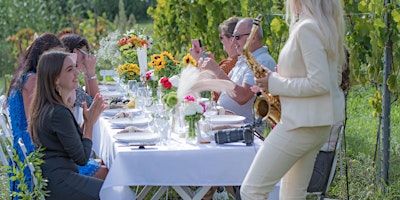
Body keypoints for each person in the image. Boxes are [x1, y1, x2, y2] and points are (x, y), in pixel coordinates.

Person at [240, 0, 346, 199]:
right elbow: (333, 80)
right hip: (317, 125)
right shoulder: (326, 28)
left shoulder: (307, 28)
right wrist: (277, 79)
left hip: (300, 125)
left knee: (251, 191)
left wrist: (274, 83)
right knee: (292, 195)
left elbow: (319, 83)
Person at [28, 51, 106, 200]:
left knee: (114, 187)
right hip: (60, 183)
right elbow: (82, 157)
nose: (77, 72)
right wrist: (89, 123)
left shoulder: (49, 106)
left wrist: (88, 121)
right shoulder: (58, 112)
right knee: (116, 192)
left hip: (53, 178)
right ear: (56, 79)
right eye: (70, 70)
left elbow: (74, 144)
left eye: (75, 67)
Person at [6, 33, 63, 193]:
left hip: (25, 147)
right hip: (33, 153)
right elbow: (35, 123)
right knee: (104, 172)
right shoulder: (32, 80)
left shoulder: (25, 76)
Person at [198, 17, 276, 124]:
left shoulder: (261, 61)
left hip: (246, 131)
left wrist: (217, 70)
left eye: (237, 37)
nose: (233, 41)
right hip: (229, 124)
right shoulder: (244, 59)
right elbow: (225, 89)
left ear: (252, 38)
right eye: (233, 36)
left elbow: (242, 96)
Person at [59, 33, 99, 109]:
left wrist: (86, 72)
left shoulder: (63, 71)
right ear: (75, 52)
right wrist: (91, 73)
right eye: (85, 53)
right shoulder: (66, 77)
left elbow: (87, 97)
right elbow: (95, 107)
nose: (86, 57)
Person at [211, 16, 241, 102]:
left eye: (222, 37)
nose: (221, 41)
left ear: (232, 40)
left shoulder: (231, 63)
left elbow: (215, 89)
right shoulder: (238, 61)